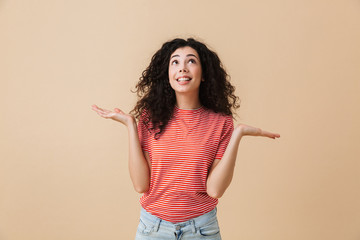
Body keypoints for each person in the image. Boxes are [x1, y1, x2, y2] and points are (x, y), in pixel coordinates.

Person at [92, 38, 280, 240]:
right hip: (153, 229)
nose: (182, 68)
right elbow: (141, 185)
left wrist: (238, 135)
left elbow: (215, 190)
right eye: (175, 62)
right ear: (167, 75)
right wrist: (130, 124)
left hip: (201, 230)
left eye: (191, 61)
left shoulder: (221, 122)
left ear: (204, 74)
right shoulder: (149, 117)